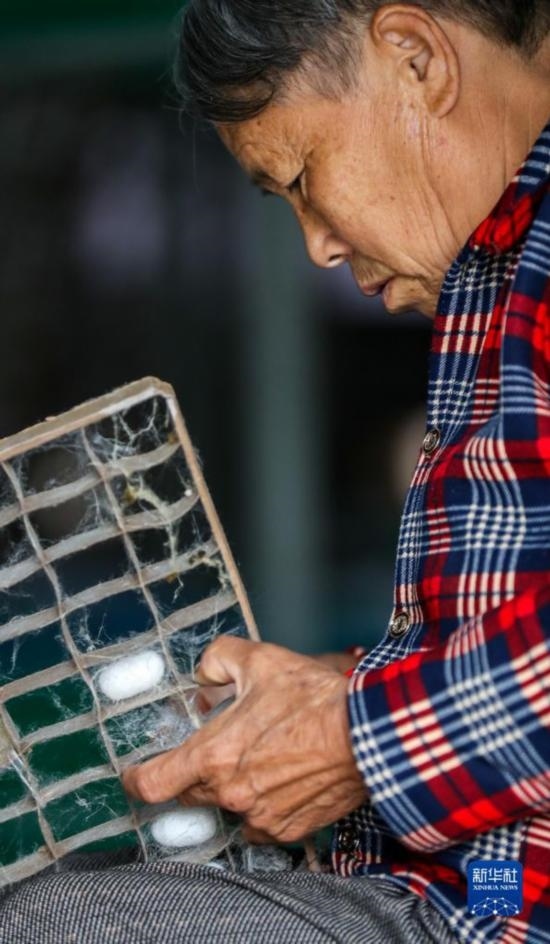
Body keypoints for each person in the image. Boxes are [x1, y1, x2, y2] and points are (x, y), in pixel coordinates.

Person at [2, 2, 550, 942]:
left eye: (301, 178)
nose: (319, 246)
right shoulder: (493, 280)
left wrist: (355, 737)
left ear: (416, 57)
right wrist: (334, 695)